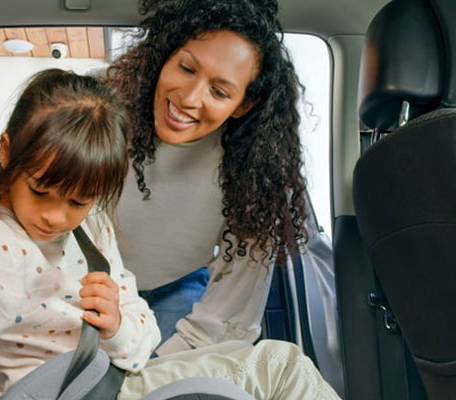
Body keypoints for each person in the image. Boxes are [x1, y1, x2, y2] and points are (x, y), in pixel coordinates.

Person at [0, 69, 338, 400]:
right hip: (79, 391)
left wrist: (117, 326)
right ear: (7, 152)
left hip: (115, 378)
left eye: (78, 200)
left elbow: (142, 341)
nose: (55, 217)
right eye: (40, 190)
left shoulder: (91, 227)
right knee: (281, 367)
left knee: (281, 364)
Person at [106, 0, 311, 356]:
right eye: (186, 68)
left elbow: (228, 315)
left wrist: (159, 367)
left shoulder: (256, 175)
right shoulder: (101, 107)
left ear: (244, 105)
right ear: (166, 55)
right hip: (87, 277)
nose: (188, 98)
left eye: (219, 92)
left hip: (177, 287)